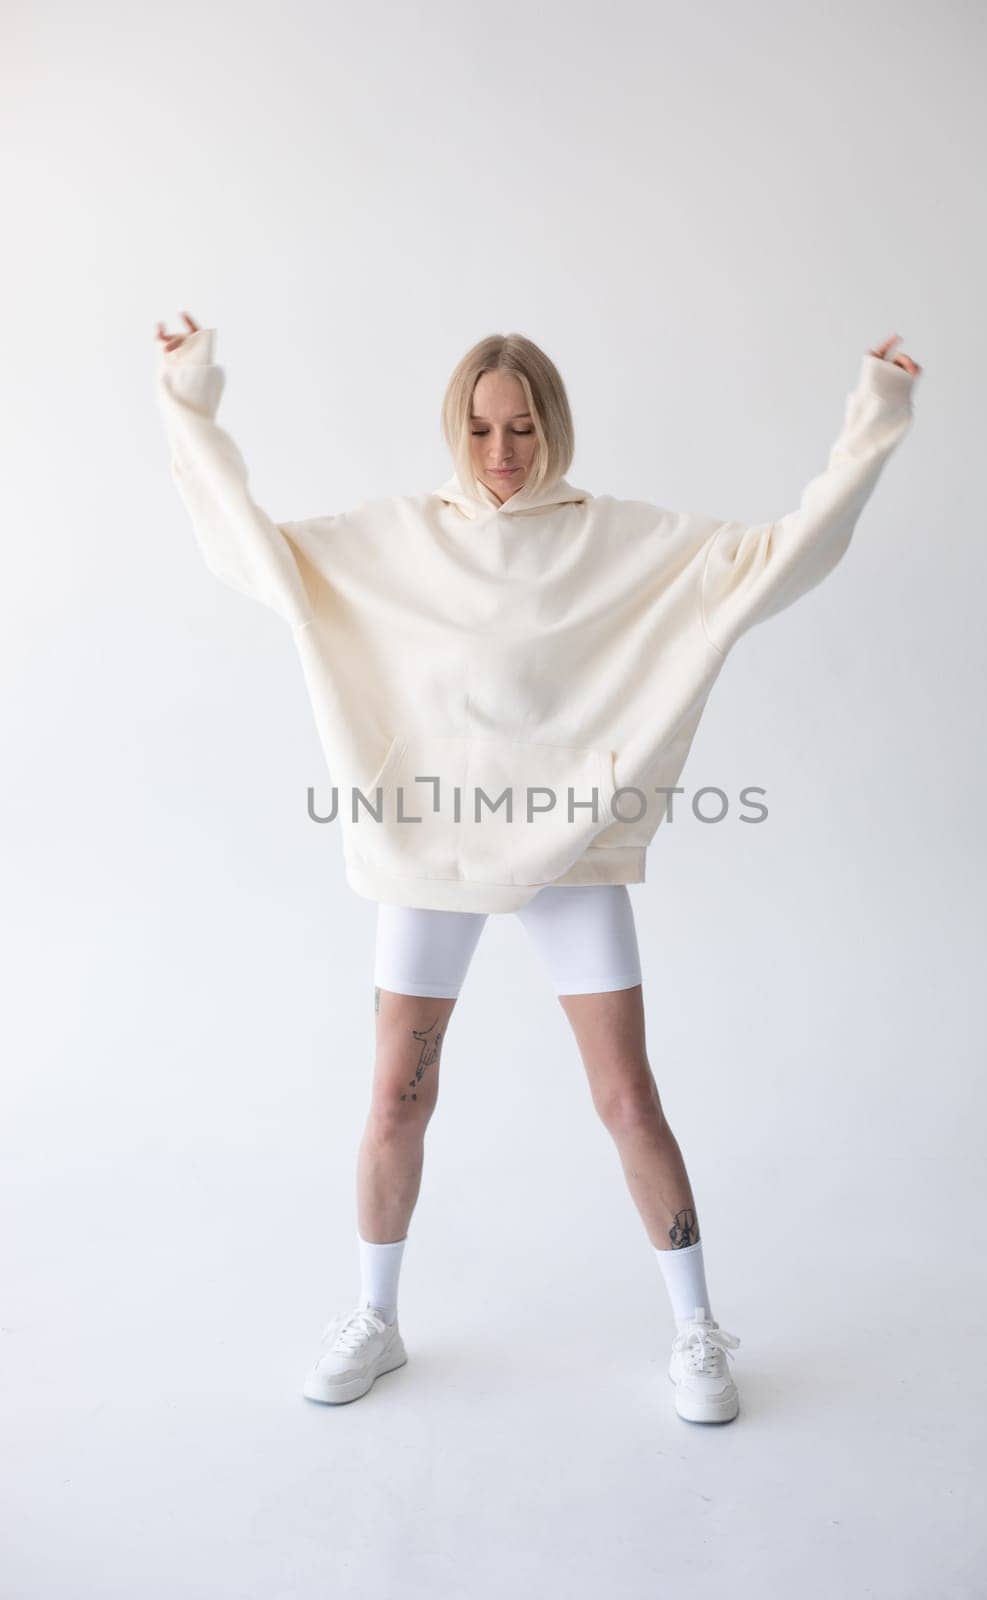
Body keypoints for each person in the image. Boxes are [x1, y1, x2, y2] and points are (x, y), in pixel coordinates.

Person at [154, 314, 921, 1423]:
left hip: (569, 849)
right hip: (426, 851)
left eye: (520, 427)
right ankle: (376, 1316)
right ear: (452, 430)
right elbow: (250, 548)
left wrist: (874, 412)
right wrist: (187, 396)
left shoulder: (614, 538)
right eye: (478, 428)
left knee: (625, 1096)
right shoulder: (394, 538)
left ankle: (695, 1329)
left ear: (552, 425)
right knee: (393, 1098)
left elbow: (771, 561)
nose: (500, 451)